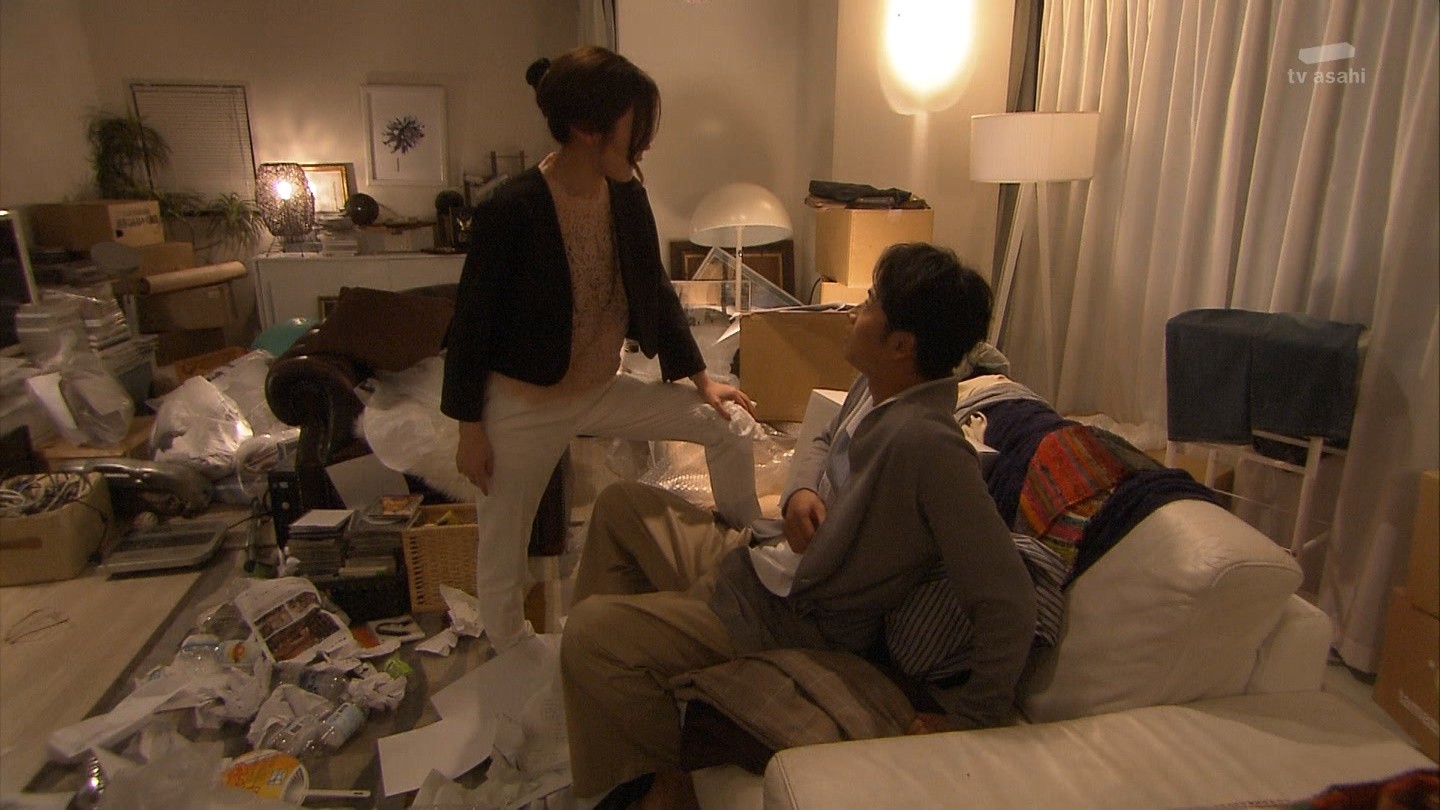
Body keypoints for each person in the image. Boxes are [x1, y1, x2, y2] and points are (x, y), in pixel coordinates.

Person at [561, 243, 1039, 809]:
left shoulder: (929, 446)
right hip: (764, 559)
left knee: (591, 632)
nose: (854, 312)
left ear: (901, 345)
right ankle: (614, 725)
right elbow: (821, 435)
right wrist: (802, 490)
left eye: (870, 304)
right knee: (620, 507)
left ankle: (663, 785)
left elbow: (1008, 598)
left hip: (793, 615)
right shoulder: (876, 385)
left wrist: (973, 719)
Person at [441, 45, 761, 654]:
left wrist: (701, 379)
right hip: (525, 402)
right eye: (635, 129)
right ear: (589, 129)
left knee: (729, 424)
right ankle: (513, 652)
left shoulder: (626, 195)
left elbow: (654, 288)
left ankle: (748, 555)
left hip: (599, 386)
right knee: (503, 546)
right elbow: (471, 324)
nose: (645, 145)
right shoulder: (512, 209)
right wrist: (469, 430)